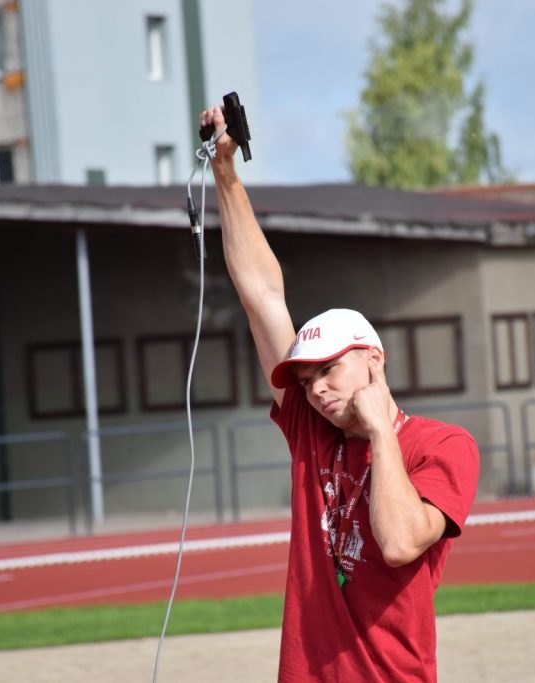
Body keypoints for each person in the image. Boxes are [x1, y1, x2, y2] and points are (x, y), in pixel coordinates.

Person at [200, 104, 480, 681]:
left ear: (373, 358)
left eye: (330, 369)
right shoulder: (311, 427)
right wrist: (225, 171)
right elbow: (262, 294)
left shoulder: (444, 446)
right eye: (306, 379)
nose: (317, 389)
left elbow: (401, 543)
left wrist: (380, 430)